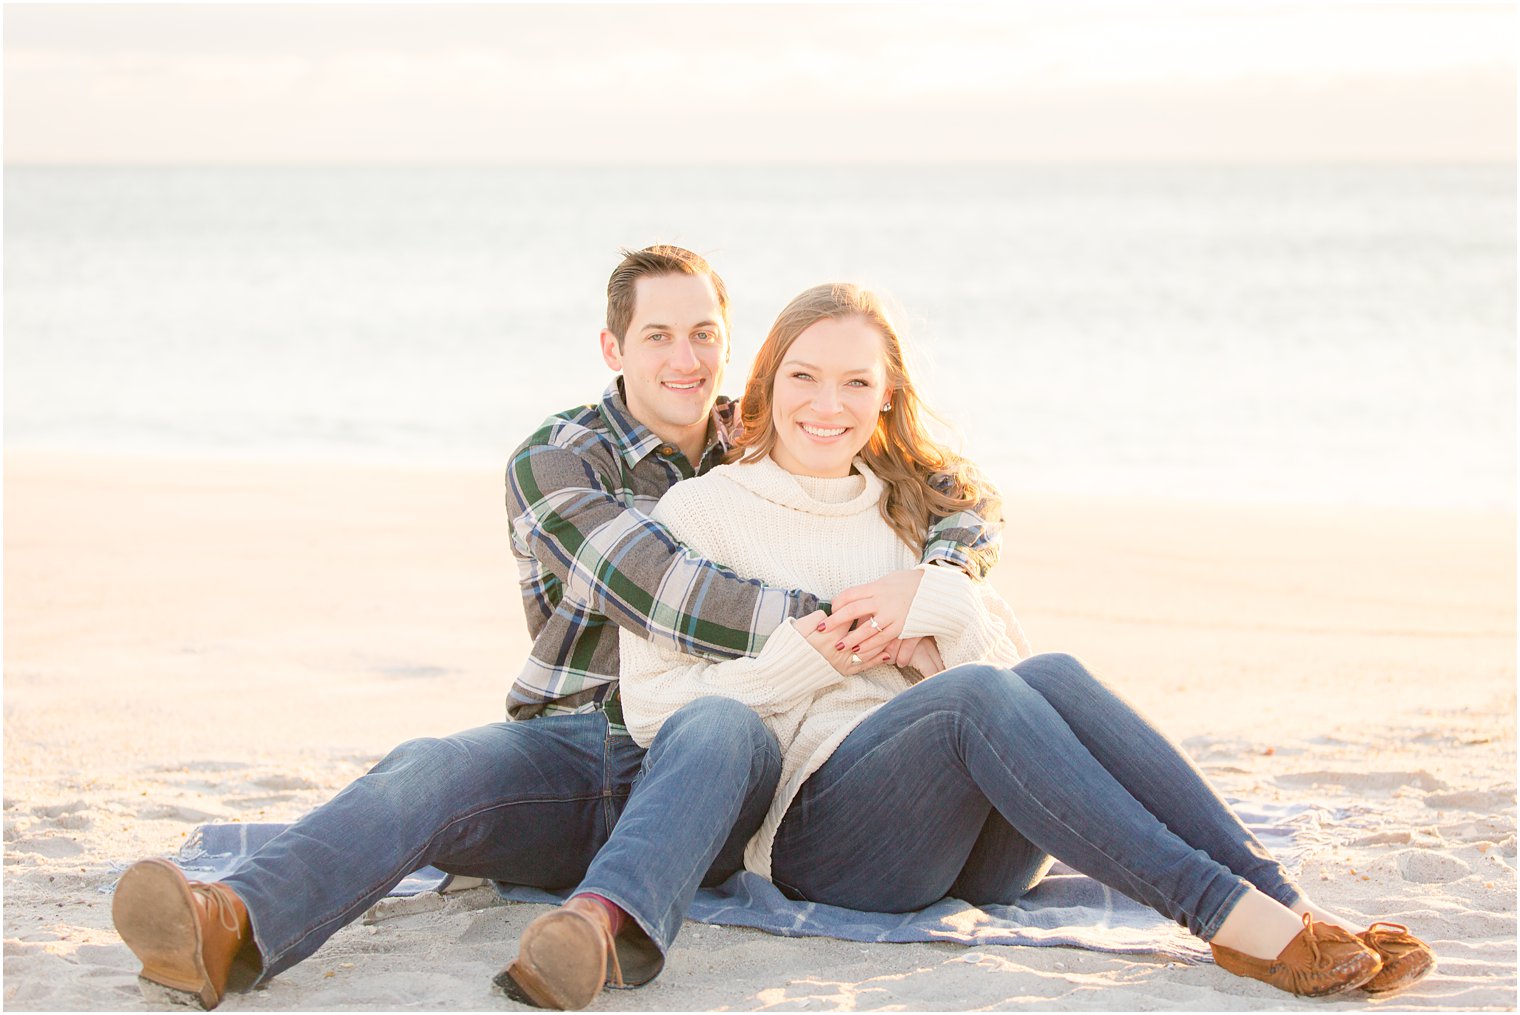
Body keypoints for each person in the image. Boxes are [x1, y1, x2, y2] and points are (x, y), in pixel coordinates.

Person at [109, 249, 1001, 1010]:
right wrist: (856, 619)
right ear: (614, 347)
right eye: (658, 335)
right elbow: (668, 592)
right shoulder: (559, 458)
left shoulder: (777, 427)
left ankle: (602, 935)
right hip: (582, 743)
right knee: (431, 767)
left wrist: (942, 577)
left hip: (732, 748)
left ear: (735, 348)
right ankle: (228, 921)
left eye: (704, 335)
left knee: (717, 731)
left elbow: (953, 489)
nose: (684, 358)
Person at [618, 282, 1437, 1000]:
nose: (826, 406)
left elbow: (1017, 695)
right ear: (766, 382)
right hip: (829, 843)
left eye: (855, 382)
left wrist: (937, 602)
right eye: (803, 376)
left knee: (1051, 670)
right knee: (977, 697)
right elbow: (653, 709)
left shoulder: (911, 510)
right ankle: (1224, 913)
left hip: (978, 853)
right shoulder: (704, 513)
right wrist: (800, 662)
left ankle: (1285, 900)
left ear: (887, 394)